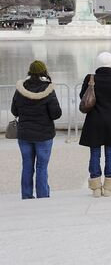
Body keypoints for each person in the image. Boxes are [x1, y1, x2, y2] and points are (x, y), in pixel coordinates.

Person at [11, 60, 62, 199]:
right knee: (41, 166)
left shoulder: (21, 89)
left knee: (27, 166)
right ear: (44, 71)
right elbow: (56, 114)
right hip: (44, 135)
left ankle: (27, 195)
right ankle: (42, 195)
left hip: (24, 134)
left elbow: (14, 110)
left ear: (30, 71)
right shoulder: (48, 90)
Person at [79, 52, 111, 197]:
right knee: (110, 152)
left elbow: (83, 97)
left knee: (95, 152)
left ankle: (96, 186)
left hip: (94, 119)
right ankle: (109, 186)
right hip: (110, 119)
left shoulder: (90, 78)